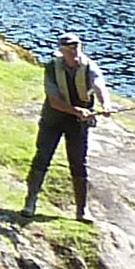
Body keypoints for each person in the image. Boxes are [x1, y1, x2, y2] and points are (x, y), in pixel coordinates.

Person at [24, 30, 106, 221]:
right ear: (61, 51)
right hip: (53, 120)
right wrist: (77, 111)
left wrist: (105, 104)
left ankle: (82, 210)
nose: (73, 51)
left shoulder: (89, 66)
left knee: (78, 163)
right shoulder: (52, 68)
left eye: (76, 47)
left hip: (78, 124)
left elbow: (98, 84)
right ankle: (30, 201)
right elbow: (54, 101)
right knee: (42, 157)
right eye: (69, 48)